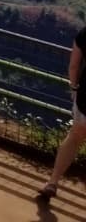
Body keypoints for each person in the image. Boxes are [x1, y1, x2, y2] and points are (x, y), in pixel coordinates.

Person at [38, 22, 86, 200]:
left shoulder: (84, 33)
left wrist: (74, 88)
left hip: (85, 99)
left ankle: (52, 182)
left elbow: (73, 66)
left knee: (74, 138)